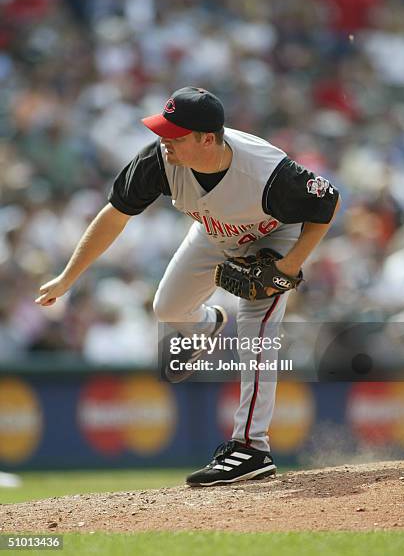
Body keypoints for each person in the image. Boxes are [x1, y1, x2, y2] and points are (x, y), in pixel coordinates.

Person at [36, 87, 340, 486]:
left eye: (175, 134)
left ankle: (252, 447)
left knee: (256, 332)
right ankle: (205, 326)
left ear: (207, 139)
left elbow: (326, 203)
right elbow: (114, 215)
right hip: (214, 232)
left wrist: (288, 265)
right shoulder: (159, 161)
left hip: (273, 237)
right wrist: (68, 277)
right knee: (167, 309)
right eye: (163, 131)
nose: (164, 141)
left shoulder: (268, 174)